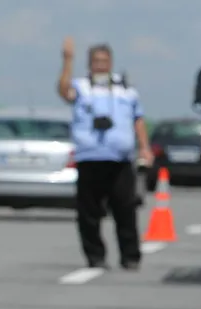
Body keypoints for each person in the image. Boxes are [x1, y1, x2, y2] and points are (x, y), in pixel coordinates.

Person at [57, 37, 153, 271]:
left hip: (119, 158)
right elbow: (63, 91)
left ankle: (130, 256)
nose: (100, 65)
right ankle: (95, 256)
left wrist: (144, 147)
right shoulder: (82, 87)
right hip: (89, 157)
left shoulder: (125, 90)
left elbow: (137, 120)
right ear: (89, 64)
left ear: (111, 63)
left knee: (125, 209)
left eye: (104, 61)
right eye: (96, 61)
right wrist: (67, 61)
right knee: (88, 213)